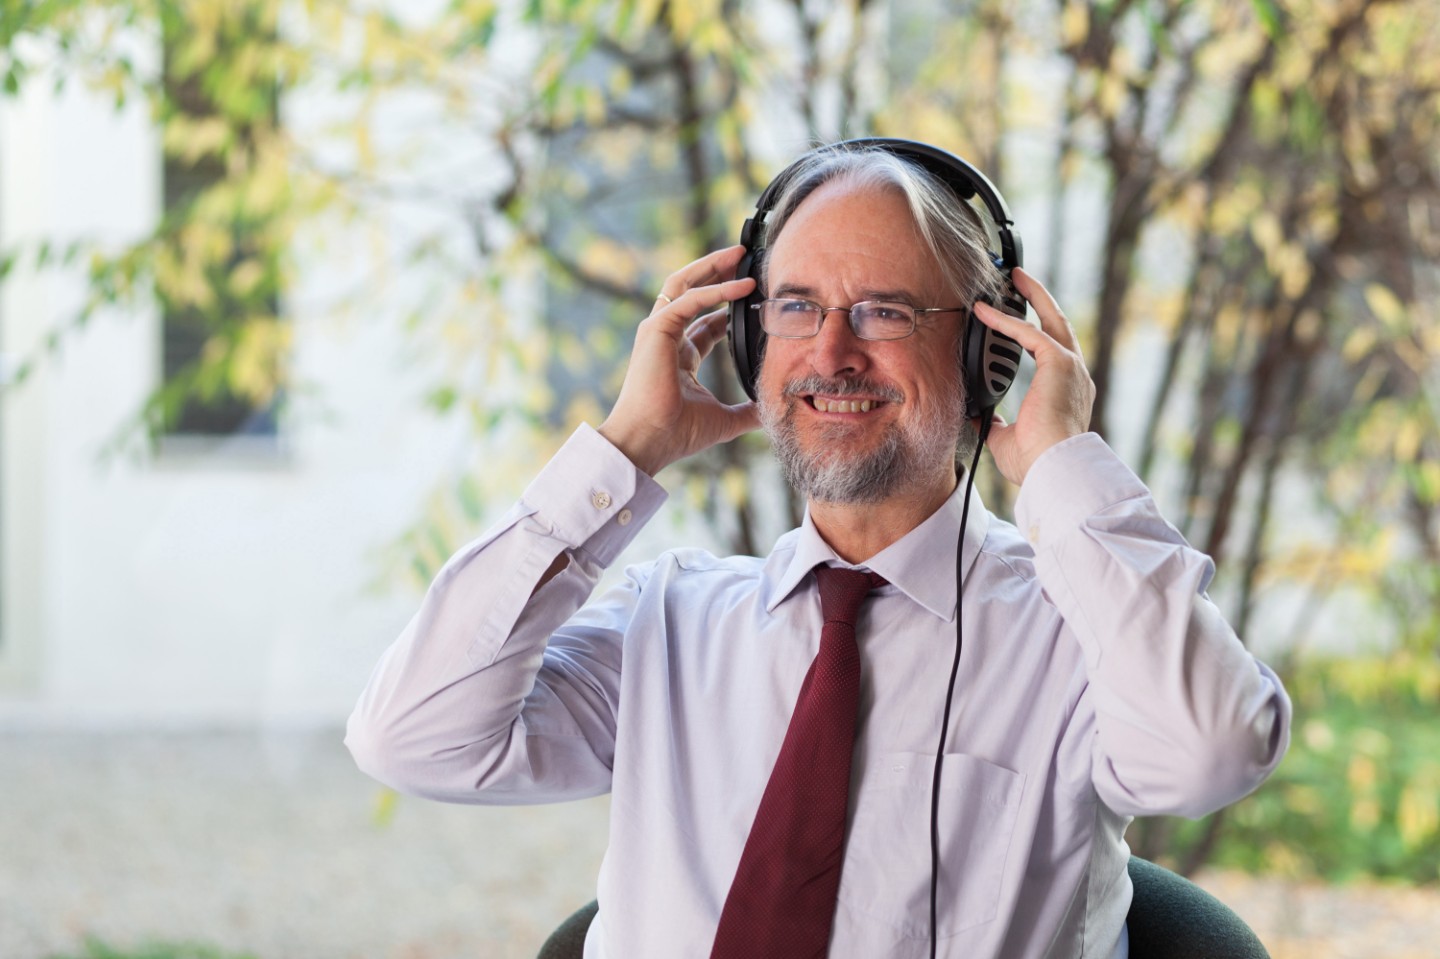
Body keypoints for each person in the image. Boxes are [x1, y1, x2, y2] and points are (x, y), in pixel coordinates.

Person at [346, 139, 1291, 958]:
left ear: (987, 357)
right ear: (753, 336)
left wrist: (1063, 469)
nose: (831, 352)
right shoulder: (670, 618)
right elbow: (414, 738)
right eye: (795, 307)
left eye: (885, 311)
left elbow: (1212, 752)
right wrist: (625, 450)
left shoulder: (1079, 633)